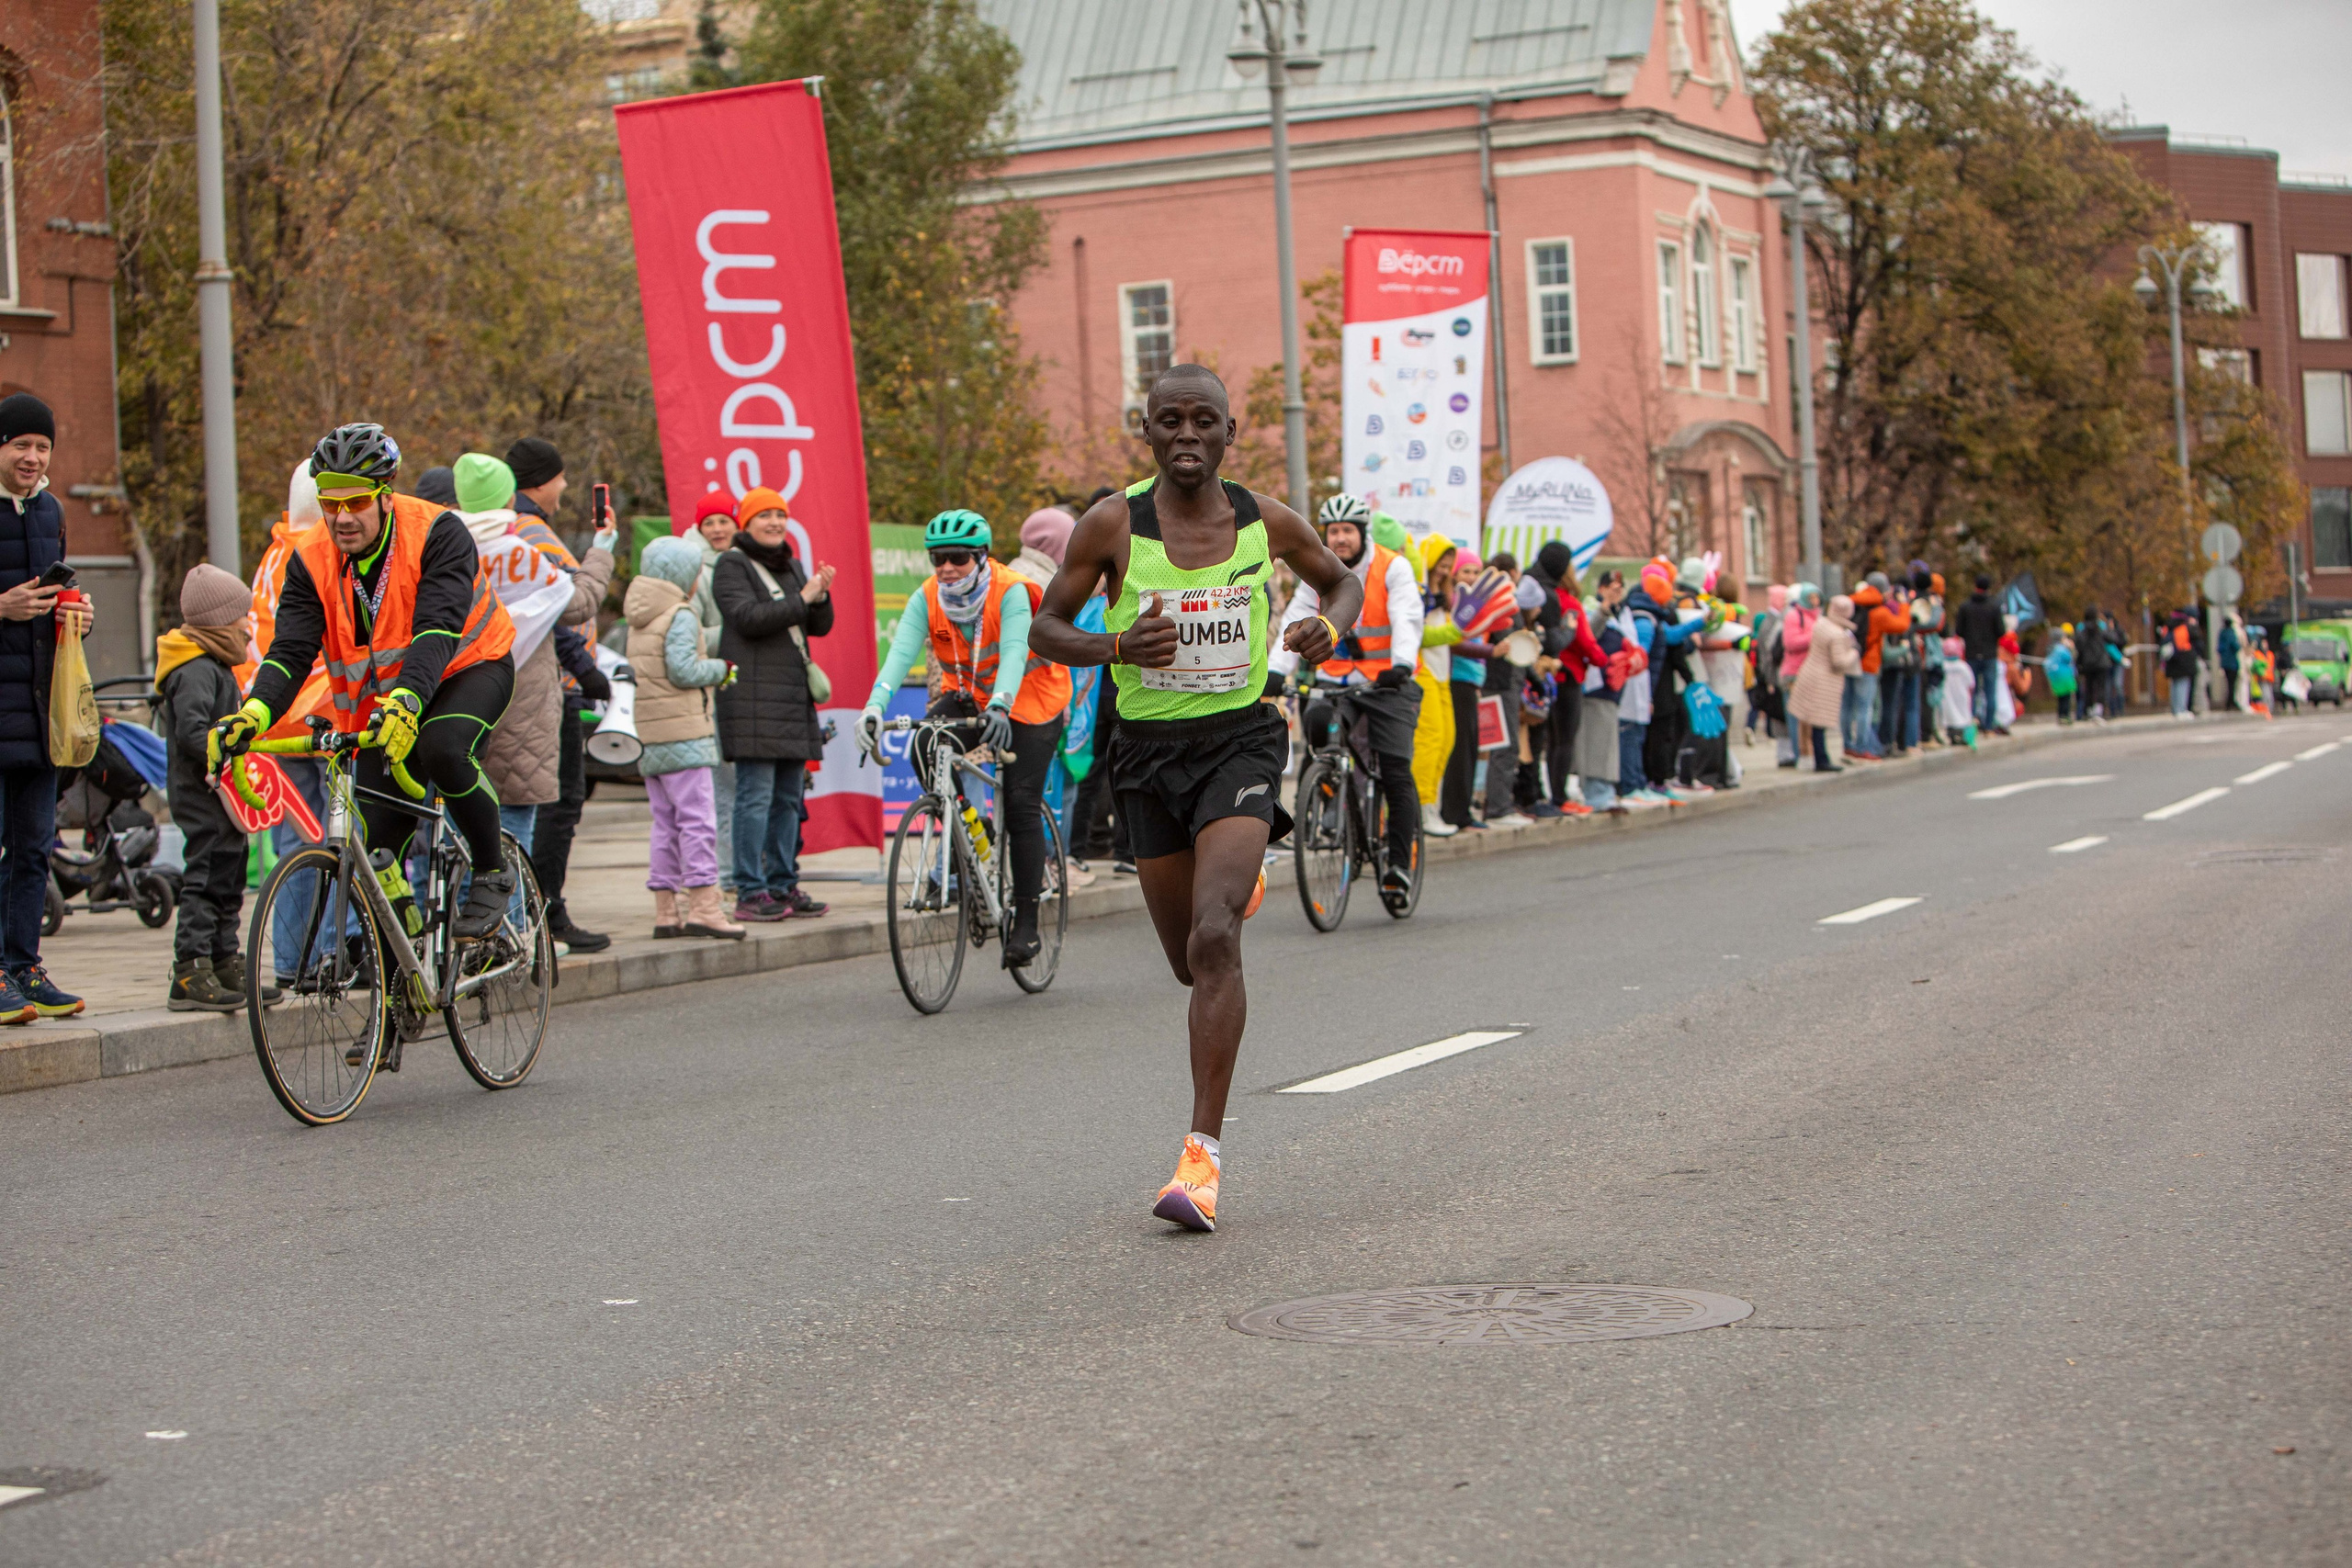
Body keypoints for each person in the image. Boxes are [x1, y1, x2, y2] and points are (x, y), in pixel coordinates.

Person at [1027, 363, 1362, 1234]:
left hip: (1240, 741)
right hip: (1146, 755)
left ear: (1227, 431)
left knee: (1217, 937)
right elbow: (1046, 627)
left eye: (1202, 421)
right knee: (1187, 958)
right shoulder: (1113, 523)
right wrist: (1114, 646)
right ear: (1148, 432)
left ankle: (1200, 1158)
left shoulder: (1265, 519)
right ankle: (1231, 876)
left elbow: (1341, 582)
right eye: (1169, 421)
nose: (1186, 435)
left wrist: (1331, 625)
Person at [212, 423, 519, 942]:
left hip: (468, 666)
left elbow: (436, 630)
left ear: (385, 494)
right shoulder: (309, 558)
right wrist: (254, 712)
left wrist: (407, 700)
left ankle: (492, 870)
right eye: (330, 504)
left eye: (356, 501)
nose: (342, 517)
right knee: (376, 851)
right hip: (383, 700)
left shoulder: (438, 531)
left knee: (442, 747)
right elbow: (290, 651)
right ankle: (407, 961)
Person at [857, 506, 1068, 962]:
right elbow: (899, 655)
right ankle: (972, 825)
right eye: (938, 559)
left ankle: (1027, 923)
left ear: (982, 556)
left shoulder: (1010, 590)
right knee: (922, 744)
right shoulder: (929, 595)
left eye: (958, 557)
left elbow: (1014, 650)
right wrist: (874, 705)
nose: (947, 567)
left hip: (1031, 699)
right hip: (971, 694)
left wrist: (1001, 704)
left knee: (1021, 804)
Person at [501, 437, 617, 952]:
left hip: (546, 685)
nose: (567, 485)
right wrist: (604, 550)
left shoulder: (524, 528)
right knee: (553, 802)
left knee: (541, 802)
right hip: (548, 689)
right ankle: (543, 909)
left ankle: (536, 909)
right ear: (541, 481)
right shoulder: (532, 533)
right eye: (561, 476)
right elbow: (566, 604)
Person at [1274, 492, 1424, 884]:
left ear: (1362, 533)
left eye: (1347, 531)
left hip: (1389, 682)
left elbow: (1407, 618)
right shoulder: (1318, 572)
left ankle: (1396, 864)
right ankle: (1330, 794)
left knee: (1395, 770)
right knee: (1321, 727)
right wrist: (1276, 671)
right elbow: (1296, 617)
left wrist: (1402, 663)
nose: (1340, 539)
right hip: (1337, 682)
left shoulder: (1393, 567)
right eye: (1333, 531)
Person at [0, 392, 91, 1021]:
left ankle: (22, 964)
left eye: (41, 447)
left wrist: (78, 615)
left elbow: (63, 590)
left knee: (34, 845)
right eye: (20, 446)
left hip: (38, 714)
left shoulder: (52, 510)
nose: (32, 457)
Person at [714, 489, 837, 924]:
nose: (774, 523)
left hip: (789, 699)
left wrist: (820, 596)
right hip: (751, 700)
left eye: (779, 515)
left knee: (788, 799)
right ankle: (750, 889)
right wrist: (802, 598)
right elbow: (747, 619)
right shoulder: (732, 564)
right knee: (754, 798)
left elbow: (817, 626)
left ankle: (784, 885)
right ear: (745, 523)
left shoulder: (792, 564)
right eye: (764, 515)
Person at [159, 565, 264, 1010]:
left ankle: (223, 958)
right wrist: (225, 744)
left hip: (224, 793)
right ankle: (190, 969)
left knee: (230, 872)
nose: (249, 625)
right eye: (243, 615)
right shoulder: (197, 669)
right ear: (220, 621)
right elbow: (192, 732)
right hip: (203, 793)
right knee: (205, 875)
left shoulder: (217, 666)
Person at [626, 536, 741, 940]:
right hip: (685, 734)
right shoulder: (680, 612)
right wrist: (720, 669)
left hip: (651, 734)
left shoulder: (640, 615)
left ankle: (665, 911)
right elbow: (683, 670)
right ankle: (706, 906)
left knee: (666, 824)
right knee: (698, 821)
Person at [685, 491, 741, 894]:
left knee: (749, 785)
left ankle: (747, 867)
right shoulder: (692, 568)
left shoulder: (746, 562)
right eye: (710, 523)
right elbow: (690, 636)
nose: (718, 529)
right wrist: (740, 630)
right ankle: (726, 872)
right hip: (713, 686)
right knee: (723, 786)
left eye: (724, 521)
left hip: (748, 685)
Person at [1442, 550, 1514, 829]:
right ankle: (1455, 813)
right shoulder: (1453, 605)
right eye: (1466, 571)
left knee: (1471, 748)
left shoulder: (1475, 604)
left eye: (1476, 571)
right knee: (1461, 750)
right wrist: (1491, 650)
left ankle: (1462, 811)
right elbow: (1454, 642)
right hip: (1456, 679)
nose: (1471, 577)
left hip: (1473, 681)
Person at [1576, 569, 1638, 812]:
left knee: (1608, 742)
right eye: (1611, 587)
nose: (1617, 592)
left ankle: (1605, 790)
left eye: (1620, 588)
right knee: (1596, 742)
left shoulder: (1623, 615)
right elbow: (1588, 635)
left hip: (1615, 688)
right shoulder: (1592, 608)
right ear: (1600, 589)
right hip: (1596, 687)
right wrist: (1604, 608)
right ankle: (1596, 792)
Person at [1788, 592, 1856, 772]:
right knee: (1819, 723)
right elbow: (1839, 661)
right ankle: (1821, 759)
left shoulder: (1821, 624)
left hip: (1809, 673)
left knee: (1807, 719)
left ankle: (1809, 757)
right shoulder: (1837, 634)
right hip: (1825, 680)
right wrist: (1854, 653)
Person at [1955, 574, 2005, 730]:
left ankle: (1971, 723)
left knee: (1972, 691)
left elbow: (1959, 630)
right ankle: (1989, 725)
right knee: (1990, 691)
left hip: (1971, 653)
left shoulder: (1965, 607)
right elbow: (2001, 630)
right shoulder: (1994, 606)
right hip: (1989, 654)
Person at [2075, 605, 2113, 721]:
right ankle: (2099, 710)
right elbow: (2111, 639)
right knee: (2101, 687)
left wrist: (2079, 662)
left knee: (2089, 687)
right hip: (2101, 662)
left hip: (2088, 663)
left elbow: (2078, 645)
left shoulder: (2082, 630)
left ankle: (2089, 710)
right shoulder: (2100, 628)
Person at [1937, 636, 1977, 744]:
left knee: (1949, 713)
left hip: (1947, 696)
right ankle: (1962, 734)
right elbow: (1971, 683)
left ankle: (1951, 734)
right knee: (1962, 713)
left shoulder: (1943, 666)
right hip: (1961, 695)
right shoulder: (1963, 667)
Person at [2163, 607, 2201, 717]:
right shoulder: (2184, 627)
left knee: (2175, 685)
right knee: (2183, 685)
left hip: (2171, 659)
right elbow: (2195, 638)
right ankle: (2181, 709)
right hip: (2184, 659)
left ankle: (2176, 709)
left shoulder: (2168, 627)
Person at [2047, 626, 2078, 724]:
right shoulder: (2061, 649)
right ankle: (2065, 716)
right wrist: (2071, 648)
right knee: (2066, 697)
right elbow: (2070, 658)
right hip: (2065, 677)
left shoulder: (2050, 649)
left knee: (2061, 698)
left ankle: (2060, 715)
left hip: (2056, 677)